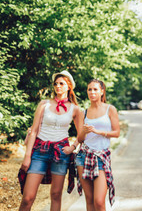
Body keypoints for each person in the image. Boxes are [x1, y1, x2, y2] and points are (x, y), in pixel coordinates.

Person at [19, 70, 83, 211]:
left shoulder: (75, 109)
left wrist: (73, 147)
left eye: (61, 83)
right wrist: (27, 156)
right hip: (39, 152)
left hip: (61, 153)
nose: (58, 86)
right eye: (56, 83)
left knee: (55, 195)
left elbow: (81, 134)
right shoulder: (44, 104)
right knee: (28, 198)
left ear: (69, 86)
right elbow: (34, 130)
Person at [76, 79, 120, 210]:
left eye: (95, 89)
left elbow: (116, 133)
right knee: (89, 200)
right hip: (83, 157)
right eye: (89, 89)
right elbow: (80, 138)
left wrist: (98, 131)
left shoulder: (110, 109)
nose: (92, 92)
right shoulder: (83, 112)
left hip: (100, 157)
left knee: (99, 201)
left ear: (102, 91)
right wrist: (83, 132)